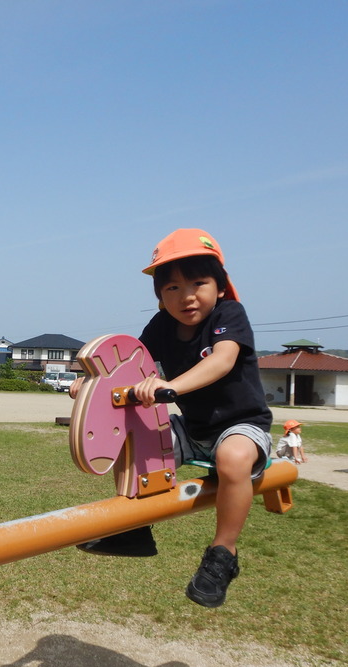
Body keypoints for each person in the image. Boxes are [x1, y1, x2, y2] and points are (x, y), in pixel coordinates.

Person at [70, 228, 273, 609]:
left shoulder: (230, 315)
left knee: (232, 459)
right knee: (136, 439)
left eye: (199, 283)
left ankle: (222, 555)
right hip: (194, 429)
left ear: (221, 285)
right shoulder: (162, 325)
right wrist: (91, 382)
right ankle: (134, 529)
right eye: (172, 289)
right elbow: (129, 365)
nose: (187, 296)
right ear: (160, 297)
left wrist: (172, 386)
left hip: (240, 425)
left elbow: (222, 359)